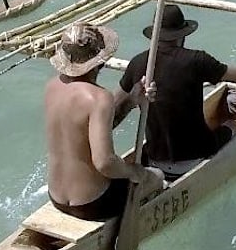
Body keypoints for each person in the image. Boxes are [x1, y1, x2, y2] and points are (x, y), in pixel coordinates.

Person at [114, 4, 236, 179]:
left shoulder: (137, 63)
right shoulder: (197, 60)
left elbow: (114, 103)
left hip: (153, 158)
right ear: (182, 35)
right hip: (194, 156)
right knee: (234, 124)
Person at [44, 23, 164, 221]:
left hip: (56, 197)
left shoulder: (51, 87)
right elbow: (104, 163)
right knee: (157, 176)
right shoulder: (100, 98)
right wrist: (134, 172)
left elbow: (84, 131)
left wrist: (132, 99)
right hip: (92, 204)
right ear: (100, 61)